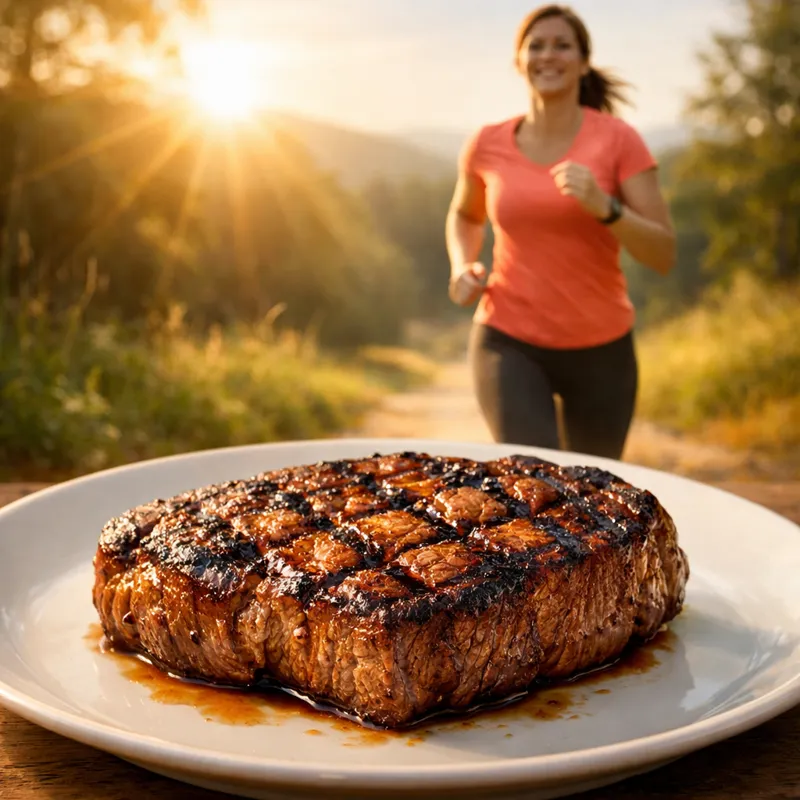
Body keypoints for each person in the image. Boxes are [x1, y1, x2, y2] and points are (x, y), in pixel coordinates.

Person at [446, 4, 675, 460]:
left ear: (583, 61)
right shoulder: (486, 143)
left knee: (592, 497)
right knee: (536, 475)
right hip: (508, 337)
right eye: (537, 45)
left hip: (601, 349)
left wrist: (606, 208)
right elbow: (465, 215)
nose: (548, 55)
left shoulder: (619, 140)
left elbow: (663, 252)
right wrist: (463, 264)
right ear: (519, 61)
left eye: (562, 45)